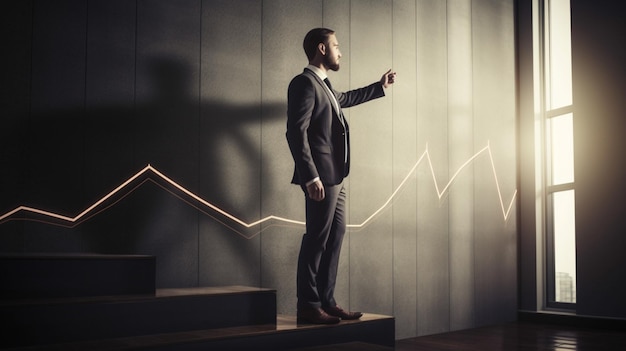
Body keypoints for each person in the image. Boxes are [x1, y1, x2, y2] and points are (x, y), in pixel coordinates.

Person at [286, 27, 396, 324]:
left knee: (335, 237)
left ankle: (327, 301)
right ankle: (308, 306)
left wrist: (379, 86)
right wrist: (310, 177)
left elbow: (344, 98)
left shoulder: (323, 85)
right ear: (322, 49)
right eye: (336, 45)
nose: (340, 51)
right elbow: (295, 133)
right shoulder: (304, 83)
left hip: (336, 177)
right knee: (317, 239)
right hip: (321, 178)